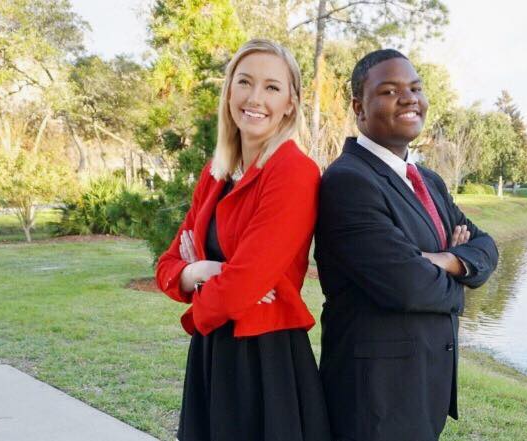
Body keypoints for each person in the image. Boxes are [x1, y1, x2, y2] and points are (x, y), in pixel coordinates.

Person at [314, 49, 499, 441]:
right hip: (375, 397)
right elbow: (406, 285)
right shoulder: (348, 182)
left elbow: (485, 246)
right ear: (359, 107)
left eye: (415, 87)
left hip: (424, 386)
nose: (410, 97)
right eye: (390, 90)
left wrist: (446, 259)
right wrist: (459, 280)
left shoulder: (427, 180)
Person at [155, 39, 331, 441]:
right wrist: (199, 270)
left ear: (290, 102)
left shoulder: (294, 172)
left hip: (265, 359)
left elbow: (242, 285)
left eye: (272, 87)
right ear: (229, 90)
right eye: (245, 82)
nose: (255, 98)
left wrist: (206, 290)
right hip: (211, 352)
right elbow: (167, 267)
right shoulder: (216, 173)